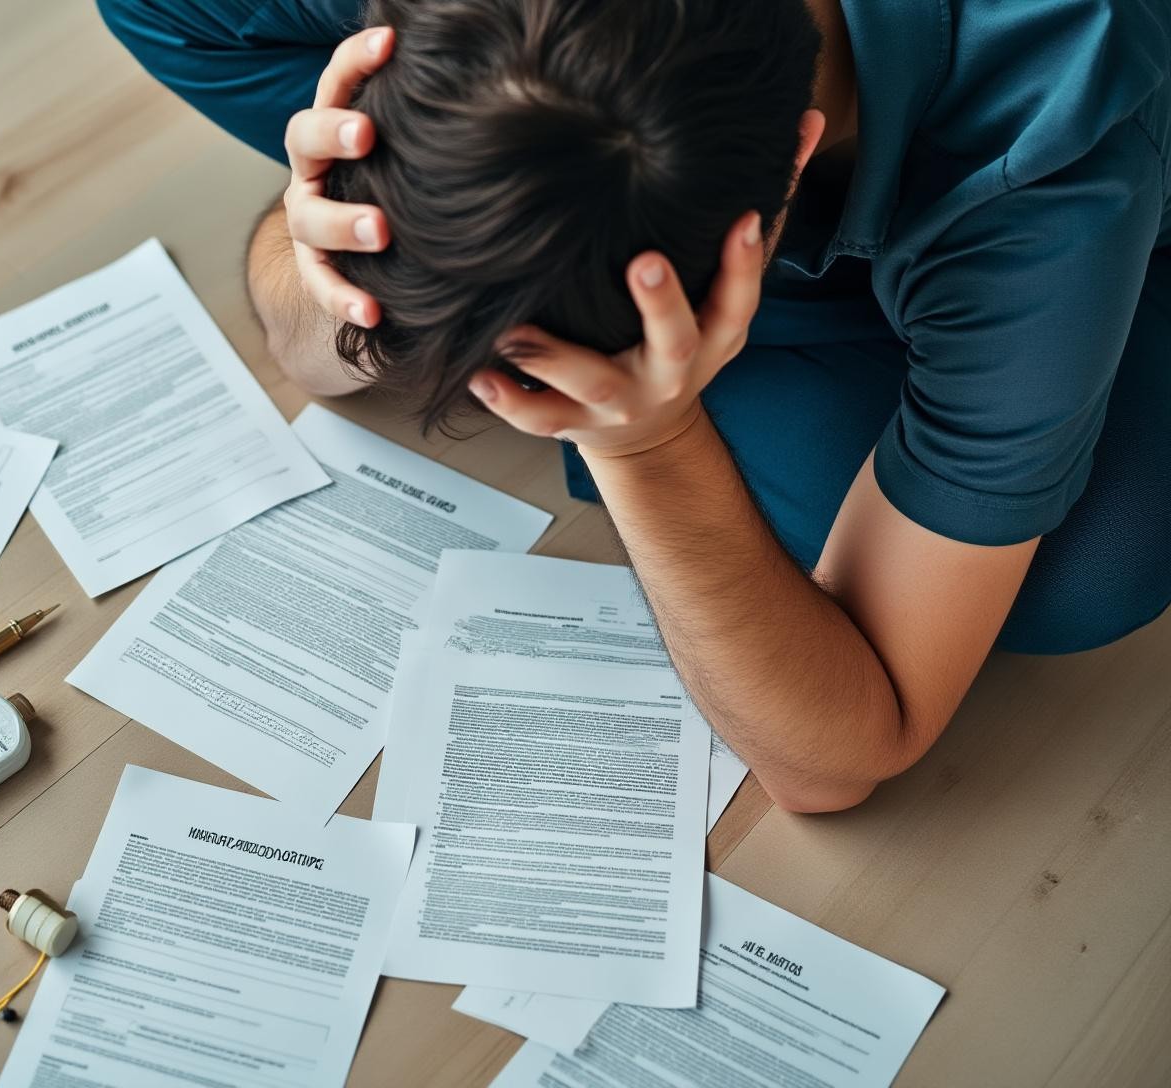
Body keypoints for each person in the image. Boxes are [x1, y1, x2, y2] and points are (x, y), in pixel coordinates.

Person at [100, 0, 1171, 812]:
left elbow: (839, 758)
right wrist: (323, 229)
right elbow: (305, 347)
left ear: (790, 170)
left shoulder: (1045, 167)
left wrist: (643, 438)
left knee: (1090, 567)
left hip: (1011, 197)